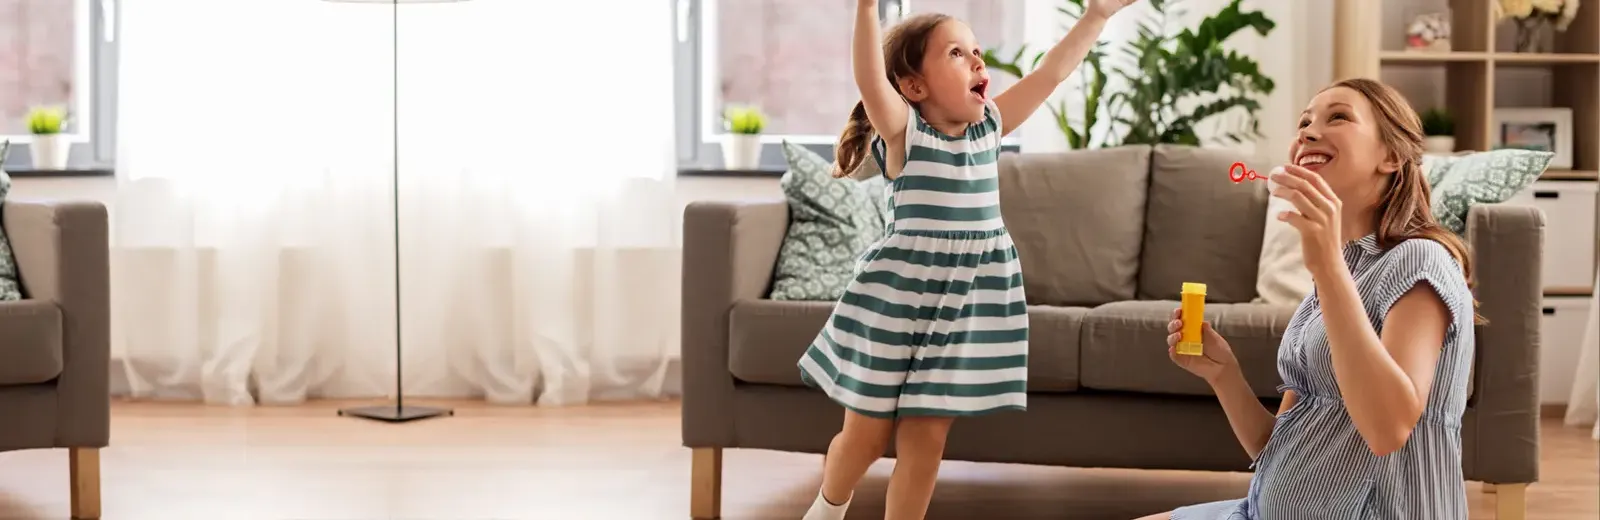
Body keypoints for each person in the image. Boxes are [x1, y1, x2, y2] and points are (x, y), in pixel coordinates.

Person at [797, 1, 1139, 519]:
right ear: (914, 87)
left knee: (926, 439)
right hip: (894, 305)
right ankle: (826, 508)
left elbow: (1050, 74)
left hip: (963, 308)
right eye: (957, 53)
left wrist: (1097, 15)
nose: (978, 62)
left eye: (977, 51)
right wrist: (867, 9)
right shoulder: (904, 132)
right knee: (863, 440)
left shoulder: (989, 130)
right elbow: (870, 77)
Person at [1140, 78, 1482, 520]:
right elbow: (1275, 448)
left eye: (1337, 117)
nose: (1307, 131)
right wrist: (1225, 376)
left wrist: (1328, 268)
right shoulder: (1333, 280)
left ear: (1392, 156)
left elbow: (1388, 428)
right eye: (1304, 121)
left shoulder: (1418, 260)